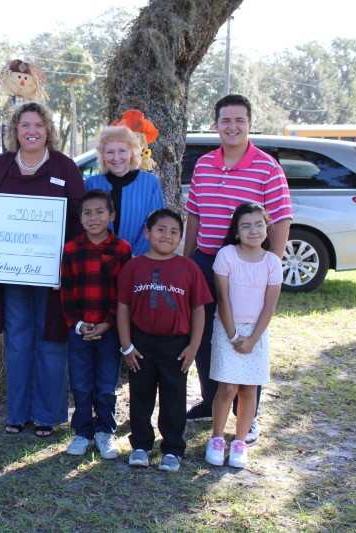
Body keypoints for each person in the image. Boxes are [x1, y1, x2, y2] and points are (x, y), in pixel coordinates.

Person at [184, 94, 292, 444]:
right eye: (225, 121)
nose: (232, 126)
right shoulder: (203, 165)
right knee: (205, 335)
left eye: (239, 120)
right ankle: (210, 398)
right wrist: (186, 263)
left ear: (249, 124)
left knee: (248, 334)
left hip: (249, 264)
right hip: (206, 260)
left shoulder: (267, 167)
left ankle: (249, 413)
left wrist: (268, 264)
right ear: (216, 125)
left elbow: (281, 220)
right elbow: (195, 217)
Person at [0, 101, 85, 437]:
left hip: (53, 276)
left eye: (38, 125)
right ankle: (17, 413)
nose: (31, 131)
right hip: (9, 273)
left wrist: (66, 269)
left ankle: (47, 415)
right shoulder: (0, 167)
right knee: (17, 340)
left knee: (51, 340)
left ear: (48, 131)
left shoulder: (65, 167)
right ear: (15, 131)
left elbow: (79, 221)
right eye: (25, 125)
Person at [117, 209, 212, 472]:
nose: (167, 235)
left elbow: (198, 310)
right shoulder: (133, 267)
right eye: (161, 229)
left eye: (174, 232)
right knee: (140, 394)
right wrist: (127, 345)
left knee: (174, 397)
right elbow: (123, 307)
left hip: (177, 344)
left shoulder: (189, 268)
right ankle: (141, 445)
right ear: (147, 232)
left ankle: (172, 448)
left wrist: (193, 346)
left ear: (181, 238)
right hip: (141, 342)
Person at [205, 203, 282, 469]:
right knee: (226, 388)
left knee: (249, 389)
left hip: (257, 332)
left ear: (266, 227)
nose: (253, 230)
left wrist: (251, 339)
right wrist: (234, 335)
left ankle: (239, 442)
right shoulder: (227, 255)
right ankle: (216, 438)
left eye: (259, 224)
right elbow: (223, 297)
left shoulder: (272, 261)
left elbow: (269, 305)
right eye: (246, 226)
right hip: (227, 327)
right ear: (236, 231)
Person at [60, 190, 131, 458]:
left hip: (109, 332)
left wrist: (109, 323)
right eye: (87, 213)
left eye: (100, 212)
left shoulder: (122, 249)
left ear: (111, 216)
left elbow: (124, 294)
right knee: (80, 383)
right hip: (79, 331)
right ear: (79, 218)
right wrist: (77, 324)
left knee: (105, 384)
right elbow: (65, 291)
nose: (93, 218)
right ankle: (83, 432)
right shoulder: (71, 249)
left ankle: (105, 431)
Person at [84, 124, 164, 256]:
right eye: (110, 152)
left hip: (138, 260)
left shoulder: (150, 183)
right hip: (99, 260)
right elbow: (85, 222)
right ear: (102, 155)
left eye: (122, 151)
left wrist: (133, 256)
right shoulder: (91, 184)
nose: (116, 158)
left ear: (131, 152)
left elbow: (155, 223)